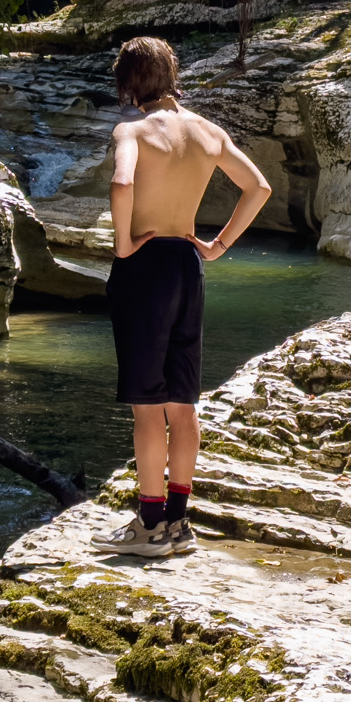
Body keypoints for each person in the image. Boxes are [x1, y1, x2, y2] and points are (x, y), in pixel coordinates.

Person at [104, 34, 271, 555]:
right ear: (171, 76)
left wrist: (124, 244)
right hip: (187, 263)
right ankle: (178, 523)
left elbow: (123, 184)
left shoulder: (131, 129)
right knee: (182, 402)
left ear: (130, 83)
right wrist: (218, 245)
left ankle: (148, 525)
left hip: (145, 267)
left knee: (147, 408)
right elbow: (259, 187)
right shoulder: (208, 132)